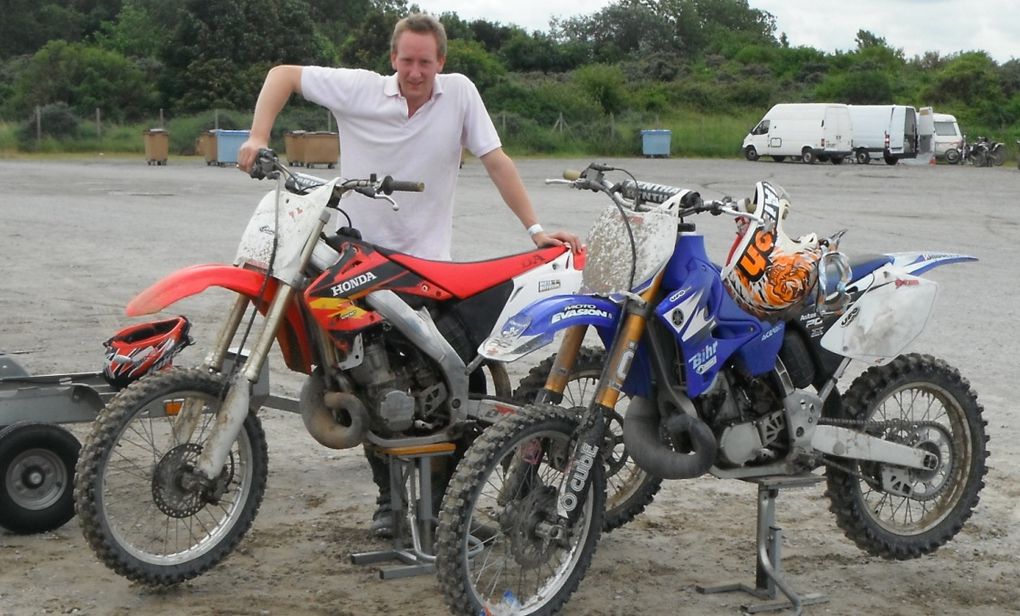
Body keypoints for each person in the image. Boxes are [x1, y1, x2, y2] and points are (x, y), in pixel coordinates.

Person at [237, 13, 582, 537]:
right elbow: (282, 73)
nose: (415, 72)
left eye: (425, 61)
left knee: (457, 381)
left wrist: (535, 228)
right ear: (392, 58)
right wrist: (258, 136)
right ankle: (388, 504)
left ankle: (445, 508)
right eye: (406, 60)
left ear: (440, 62)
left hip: (427, 269)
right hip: (359, 260)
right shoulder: (360, 90)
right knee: (360, 378)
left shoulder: (460, 94)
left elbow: (496, 160)